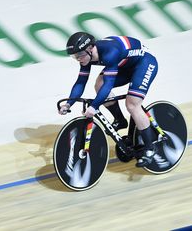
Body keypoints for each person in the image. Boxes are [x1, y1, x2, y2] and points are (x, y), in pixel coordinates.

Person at [58, 32, 158, 167]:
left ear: (90, 48)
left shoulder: (110, 51)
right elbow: (81, 82)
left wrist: (94, 107)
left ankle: (150, 148)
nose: (78, 59)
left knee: (132, 104)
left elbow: (109, 84)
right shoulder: (86, 56)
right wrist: (69, 103)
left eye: (79, 55)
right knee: (98, 84)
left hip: (144, 63)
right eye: (74, 56)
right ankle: (120, 120)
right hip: (124, 65)